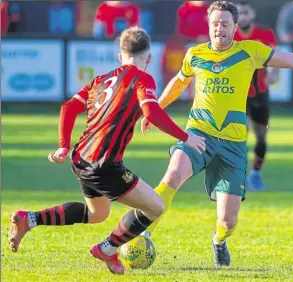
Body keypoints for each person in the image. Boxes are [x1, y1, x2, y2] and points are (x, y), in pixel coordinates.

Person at [141, 0, 293, 268]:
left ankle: (219, 240)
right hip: (197, 135)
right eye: (215, 24)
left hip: (233, 145)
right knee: (171, 177)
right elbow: (179, 82)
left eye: (225, 24)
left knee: (228, 221)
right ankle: (142, 233)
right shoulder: (195, 54)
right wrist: (156, 107)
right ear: (209, 25)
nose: (219, 29)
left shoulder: (251, 51)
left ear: (235, 27)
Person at [7, 26, 205, 275]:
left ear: (120, 56)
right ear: (149, 57)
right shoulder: (142, 78)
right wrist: (186, 137)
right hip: (103, 164)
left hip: (80, 158)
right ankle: (107, 249)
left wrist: (63, 146)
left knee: (97, 213)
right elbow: (152, 112)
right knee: (155, 207)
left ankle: (29, 219)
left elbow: (68, 108)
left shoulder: (100, 80)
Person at [234, 1, 279, 191]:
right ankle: (236, 177)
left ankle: (256, 174)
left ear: (251, 14)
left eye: (245, 13)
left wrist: (274, 73)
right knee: (237, 135)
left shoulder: (265, 34)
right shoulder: (230, 35)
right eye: (239, 13)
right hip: (236, 93)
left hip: (259, 92)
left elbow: (276, 57)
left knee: (261, 136)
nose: (242, 17)